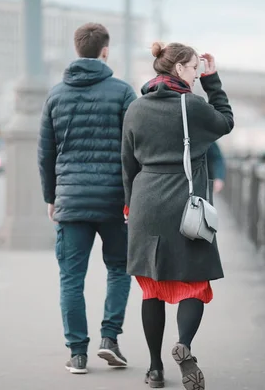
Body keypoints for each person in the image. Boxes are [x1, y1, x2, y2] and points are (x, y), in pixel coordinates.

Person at [122, 41, 234, 389]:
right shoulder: (193, 105)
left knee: (152, 289)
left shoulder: (136, 108)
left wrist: (128, 205)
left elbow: (127, 164)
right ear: (179, 70)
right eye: (195, 69)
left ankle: (155, 370)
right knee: (193, 284)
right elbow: (226, 121)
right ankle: (183, 345)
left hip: (145, 204)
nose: (198, 73)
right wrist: (213, 81)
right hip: (185, 206)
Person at [37, 22, 137, 375]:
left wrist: (52, 196)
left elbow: (45, 154)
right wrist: (133, 196)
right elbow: (134, 151)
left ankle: (77, 353)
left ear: (77, 49)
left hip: (72, 202)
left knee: (71, 278)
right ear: (105, 51)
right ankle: (109, 338)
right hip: (115, 202)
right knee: (119, 270)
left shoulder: (55, 95)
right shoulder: (124, 93)